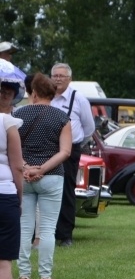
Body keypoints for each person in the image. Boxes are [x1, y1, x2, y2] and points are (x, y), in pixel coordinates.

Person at [15, 73, 72, 279]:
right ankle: (46, 276)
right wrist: (43, 168)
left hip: (24, 176)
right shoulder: (61, 117)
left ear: (34, 93)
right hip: (52, 177)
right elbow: (65, 151)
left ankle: (23, 275)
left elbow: (13, 148)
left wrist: (27, 168)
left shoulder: (19, 114)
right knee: (47, 229)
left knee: (24, 227)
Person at [49, 63, 95, 247]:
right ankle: (46, 232)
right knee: (47, 189)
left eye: (62, 76)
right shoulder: (47, 97)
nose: (58, 79)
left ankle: (65, 234)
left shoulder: (79, 99)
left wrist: (74, 144)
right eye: (55, 76)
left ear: (70, 79)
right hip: (48, 148)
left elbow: (89, 127)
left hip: (70, 150)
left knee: (67, 190)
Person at [1, 109, 23, 279]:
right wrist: (20, 197)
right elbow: (17, 166)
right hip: (3, 193)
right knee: (2, 265)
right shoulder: (7, 123)